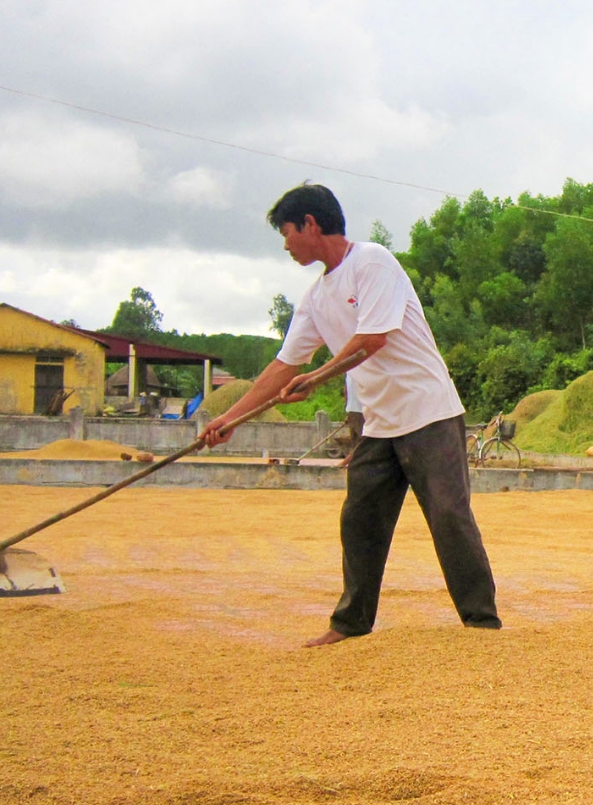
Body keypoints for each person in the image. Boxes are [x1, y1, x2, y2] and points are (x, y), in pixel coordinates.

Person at [204, 183, 501, 645]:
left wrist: (316, 379)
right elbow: (284, 366)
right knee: (359, 518)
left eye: (286, 233)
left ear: (310, 224)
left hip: (428, 412)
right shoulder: (316, 297)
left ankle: (481, 621)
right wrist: (229, 420)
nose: (285, 246)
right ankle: (350, 623)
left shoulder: (373, 261)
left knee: (448, 515)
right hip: (380, 426)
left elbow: (372, 340)